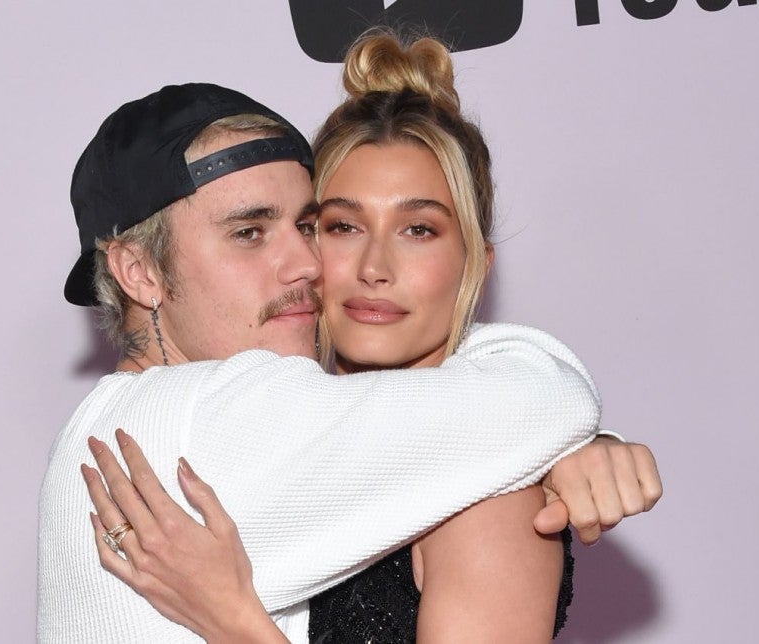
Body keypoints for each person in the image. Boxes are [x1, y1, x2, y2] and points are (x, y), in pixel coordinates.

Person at [39, 80, 658, 643]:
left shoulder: (94, 427)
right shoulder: (219, 416)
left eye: (308, 226)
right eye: (249, 232)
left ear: (476, 259)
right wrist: (579, 433)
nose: (308, 265)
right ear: (139, 271)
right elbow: (540, 398)